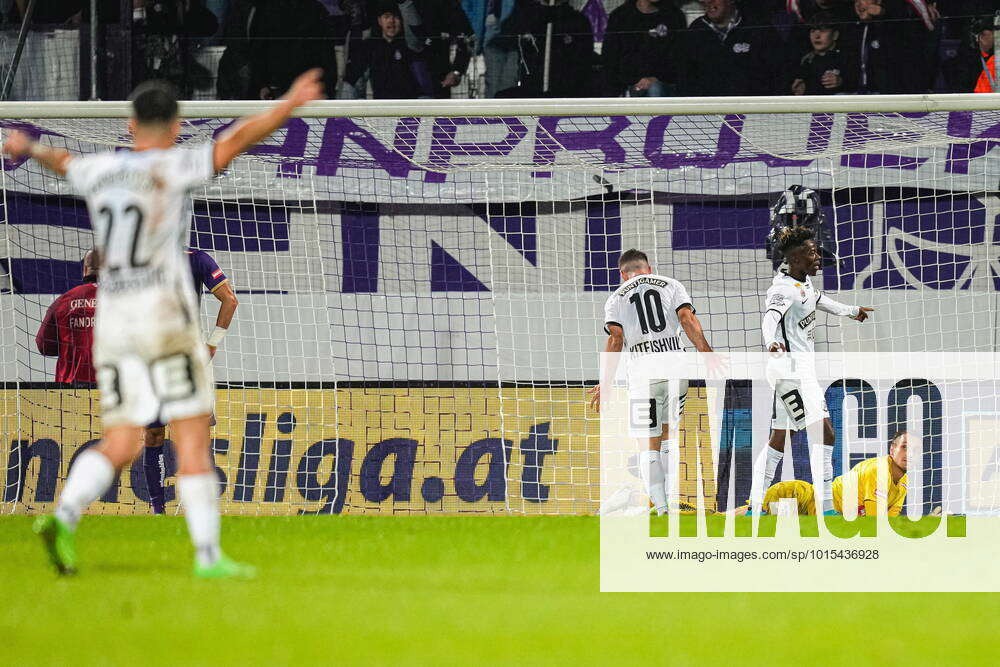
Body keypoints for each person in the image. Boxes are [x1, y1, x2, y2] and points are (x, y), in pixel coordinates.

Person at [5, 68, 324, 577]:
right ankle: (208, 556)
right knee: (191, 432)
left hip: (116, 323)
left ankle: (63, 516)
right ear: (176, 127)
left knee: (122, 440)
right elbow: (237, 137)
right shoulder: (176, 165)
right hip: (164, 317)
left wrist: (28, 146)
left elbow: (60, 161)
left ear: (130, 125)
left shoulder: (100, 170)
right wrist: (289, 103)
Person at [753, 225, 873, 516]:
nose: (818, 256)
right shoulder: (782, 290)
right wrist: (771, 342)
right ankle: (828, 508)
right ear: (794, 259)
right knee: (825, 432)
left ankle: (754, 506)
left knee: (779, 438)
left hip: (796, 370)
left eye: (816, 250)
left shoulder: (802, 284)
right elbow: (770, 318)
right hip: (790, 370)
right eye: (811, 252)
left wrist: (852, 310)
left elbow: (820, 301)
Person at [588, 249, 716, 516]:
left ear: (622, 274)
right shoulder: (672, 285)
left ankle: (660, 507)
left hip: (643, 373)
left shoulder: (615, 299)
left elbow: (616, 339)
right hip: (676, 368)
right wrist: (707, 354)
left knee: (648, 442)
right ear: (649, 268)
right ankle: (670, 498)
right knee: (668, 435)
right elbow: (687, 319)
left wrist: (606, 383)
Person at [143, 248, 237, 515]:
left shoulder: (144, 260)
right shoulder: (193, 258)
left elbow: (230, 300)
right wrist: (210, 346)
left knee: (156, 434)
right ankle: (174, 510)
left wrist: (211, 347)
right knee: (172, 434)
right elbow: (229, 300)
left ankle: (163, 509)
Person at [745, 430, 909, 516]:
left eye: (916, 450)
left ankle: (722, 516)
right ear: (892, 449)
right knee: (759, 516)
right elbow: (876, 526)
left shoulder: (903, 482)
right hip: (804, 499)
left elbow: (890, 520)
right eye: (905, 447)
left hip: (819, 514)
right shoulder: (878, 471)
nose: (910, 454)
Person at [675, 0, 780, 97]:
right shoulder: (695, 30)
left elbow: (777, 72)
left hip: (753, 109)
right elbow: (685, 77)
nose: (708, 2)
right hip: (708, 110)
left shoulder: (758, 27)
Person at [497, 0, 596, 98]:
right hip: (532, 94)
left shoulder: (578, 22)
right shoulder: (526, 17)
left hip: (564, 96)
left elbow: (583, 66)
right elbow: (505, 38)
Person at [344, 2, 434, 99]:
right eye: (386, 17)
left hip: (409, 106)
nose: (391, 21)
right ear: (379, 21)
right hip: (382, 107)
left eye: (396, 17)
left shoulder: (410, 45)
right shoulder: (370, 47)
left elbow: (415, 28)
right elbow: (353, 80)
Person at [35, 250, 99, 385]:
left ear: (84, 270)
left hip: (70, 387)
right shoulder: (119, 301)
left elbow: (44, 346)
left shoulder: (63, 301)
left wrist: (72, 344)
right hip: (109, 386)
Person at [601, 0, 686, 97]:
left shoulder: (674, 16)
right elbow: (611, 58)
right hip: (628, 83)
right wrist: (634, 80)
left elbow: (680, 57)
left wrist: (656, 78)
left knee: (655, 89)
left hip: (665, 82)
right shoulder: (621, 16)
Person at [415, 0, 474, 98]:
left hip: (441, 76)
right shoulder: (410, 6)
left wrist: (456, 71)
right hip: (409, 73)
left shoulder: (451, 6)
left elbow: (465, 38)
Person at [791, 11, 857, 94]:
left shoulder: (847, 56)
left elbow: (858, 84)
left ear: (835, 35)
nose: (816, 36)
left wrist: (841, 82)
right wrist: (801, 88)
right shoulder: (806, 60)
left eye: (822, 30)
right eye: (813, 31)